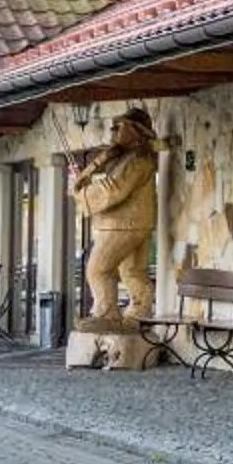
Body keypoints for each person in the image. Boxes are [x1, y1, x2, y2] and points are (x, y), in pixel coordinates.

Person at [71, 109, 159, 326]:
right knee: (131, 272)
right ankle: (139, 314)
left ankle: (106, 314)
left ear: (136, 131)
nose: (114, 130)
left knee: (98, 270)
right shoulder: (125, 158)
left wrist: (81, 194)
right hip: (132, 224)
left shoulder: (137, 160)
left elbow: (112, 191)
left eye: (120, 126)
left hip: (124, 225)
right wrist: (102, 158)